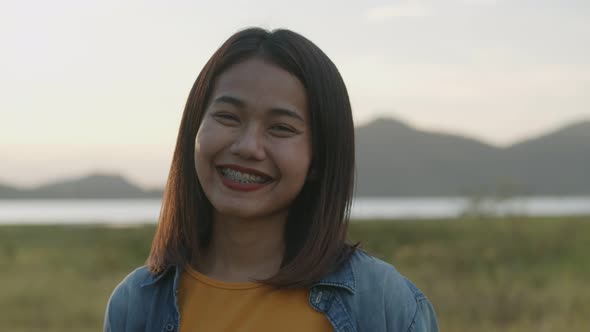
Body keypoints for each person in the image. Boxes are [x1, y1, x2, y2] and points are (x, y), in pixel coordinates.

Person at [104, 27, 438, 332]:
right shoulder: (137, 305)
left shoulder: (382, 302)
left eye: (280, 127)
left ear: (319, 159)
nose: (248, 147)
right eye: (227, 117)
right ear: (195, 129)